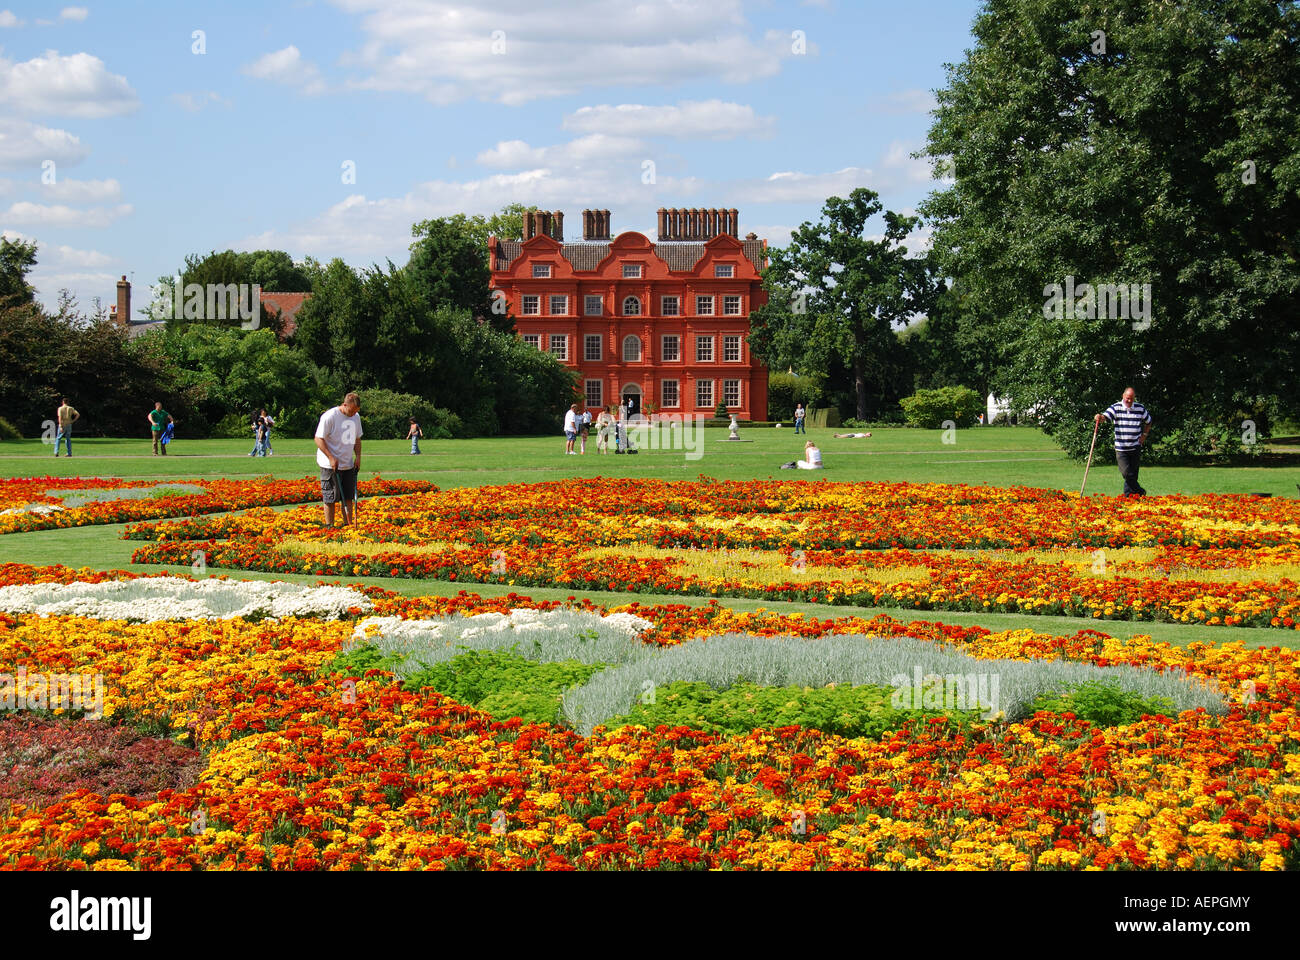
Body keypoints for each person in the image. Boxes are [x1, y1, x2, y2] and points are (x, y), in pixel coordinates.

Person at [315, 392, 363, 527]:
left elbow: (357, 439)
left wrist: (358, 457)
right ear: (345, 404)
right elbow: (318, 438)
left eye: (356, 411)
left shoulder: (356, 417)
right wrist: (330, 457)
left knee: (348, 498)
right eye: (352, 410)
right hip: (330, 465)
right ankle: (330, 527)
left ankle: (348, 526)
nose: (354, 414)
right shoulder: (330, 416)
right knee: (330, 498)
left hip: (347, 463)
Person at [1094, 386, 1152, 497]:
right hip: (1121, 448)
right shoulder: (1116, 407)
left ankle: (1129, 497)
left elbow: (1149, 421)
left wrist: (1144, 435)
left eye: (1131, 398)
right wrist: (1099, 417)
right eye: (1127, 398)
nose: (1129, 401)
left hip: (1135, 446)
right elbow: (1106, 417)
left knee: (1133, 475)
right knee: (1126, 473)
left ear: (1134, 398)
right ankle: (1140, 492)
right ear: (1123, 396)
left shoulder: (1140, 408)